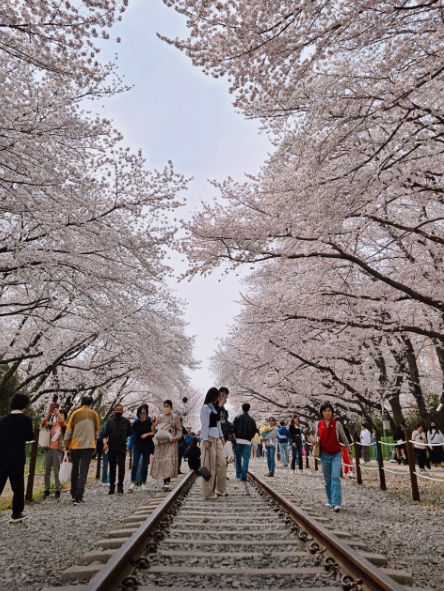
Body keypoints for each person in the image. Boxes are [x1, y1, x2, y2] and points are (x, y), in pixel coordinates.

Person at [0, 392, 35, 523]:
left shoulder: (3, 420)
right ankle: (16, 513)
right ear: (24, 406)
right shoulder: (26, 420)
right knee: (18, 486)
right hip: (17, 457)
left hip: (2, 456)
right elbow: (30, 437)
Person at [63, 395, 100, 505]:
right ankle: (79, 496)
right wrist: (95, 445)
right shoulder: (94, 414)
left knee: (75, 470)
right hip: (88, 446)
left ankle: (73, 493)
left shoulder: (75, 413)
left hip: (75, 445)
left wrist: (65, 443)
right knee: (83, 471)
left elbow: (69, 429)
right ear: (91, 404)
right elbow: (97, 431)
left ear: (81, 403)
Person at [317, 401, 350, 512]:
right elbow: (315, 437)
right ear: (322, 412)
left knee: (335, 477)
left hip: (336, 454)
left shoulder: (337, 424)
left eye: (329, 411)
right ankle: (330, 499)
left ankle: (336, 502)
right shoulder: (318, 424)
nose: (327, 413)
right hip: (324, 454)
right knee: (327, 480)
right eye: (325, 411)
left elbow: (344, 438)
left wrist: (349, 451)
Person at [200, 387, 227, 499]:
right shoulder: (206, 408)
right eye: (217, 396)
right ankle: (208, 492)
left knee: (222, 464)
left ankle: (220, 489)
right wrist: (205, 439)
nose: (218, 399)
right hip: (209, 438)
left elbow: (218, 424)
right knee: (210, 466)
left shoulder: (215, 408)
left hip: (217, 437)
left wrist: (221, 436)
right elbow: (204, 424)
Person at [150, 400, 182, 491]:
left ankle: (167, 482)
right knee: (163, 462)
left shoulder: (175, 417)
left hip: (171, 442)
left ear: (171, 407)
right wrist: (153, 424)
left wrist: (176, 437)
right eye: (164, 406)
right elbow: (155, 430)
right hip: (160, 443)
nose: (165, 408)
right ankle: (165, 481)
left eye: (167, 406)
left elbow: (179, 430)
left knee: (168, 460)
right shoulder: (159, 417)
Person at [102, 404, 132, 495]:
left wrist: (123, 437)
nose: (118, 411)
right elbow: (104, 435)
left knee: (122, 467)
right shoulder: (110, 422)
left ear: (122, 411)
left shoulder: (126, 421)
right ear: (114, 411)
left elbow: (130, 432)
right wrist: (105, 444)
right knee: (112, 467)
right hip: (112, 447)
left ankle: (120, 486)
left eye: (120, 410)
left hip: (122, 447)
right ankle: (111, 487)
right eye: (117, 410)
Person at [41, 406, 67, 499]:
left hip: (57, 450)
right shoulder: (52, 425)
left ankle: (57, 489)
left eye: (61, 415)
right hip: (48, 449)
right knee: (46, 470)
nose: (59, 417)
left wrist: (58, 414)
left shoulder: (64, 427)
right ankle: (47, 489)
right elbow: (43, 423)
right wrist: (49, 413)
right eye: (58, 415)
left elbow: (63, 423)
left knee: (57, 471)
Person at [129, 405, 155, 491]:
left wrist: (147, 434)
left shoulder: (149, 422)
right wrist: (130, 445)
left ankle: (144, 482)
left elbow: (154, 432)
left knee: (145, 465)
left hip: (147, 446)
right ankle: (132, 482)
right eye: (141, 413)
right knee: (135, 464)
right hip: (137, 446)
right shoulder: (136, 423)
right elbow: (132, 434)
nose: (143, 414)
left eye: (144, 413)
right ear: (138, 413)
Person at [232, 403, 257, 481]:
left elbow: (233, 429)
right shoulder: (252, 420)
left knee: (238, 459)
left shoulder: (237, 417)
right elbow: (254, 431)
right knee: (246, 459)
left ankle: (238, 475)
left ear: (242, 408)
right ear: (249, 409)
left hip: (238, 441)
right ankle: (244, 476)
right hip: (247, 442)